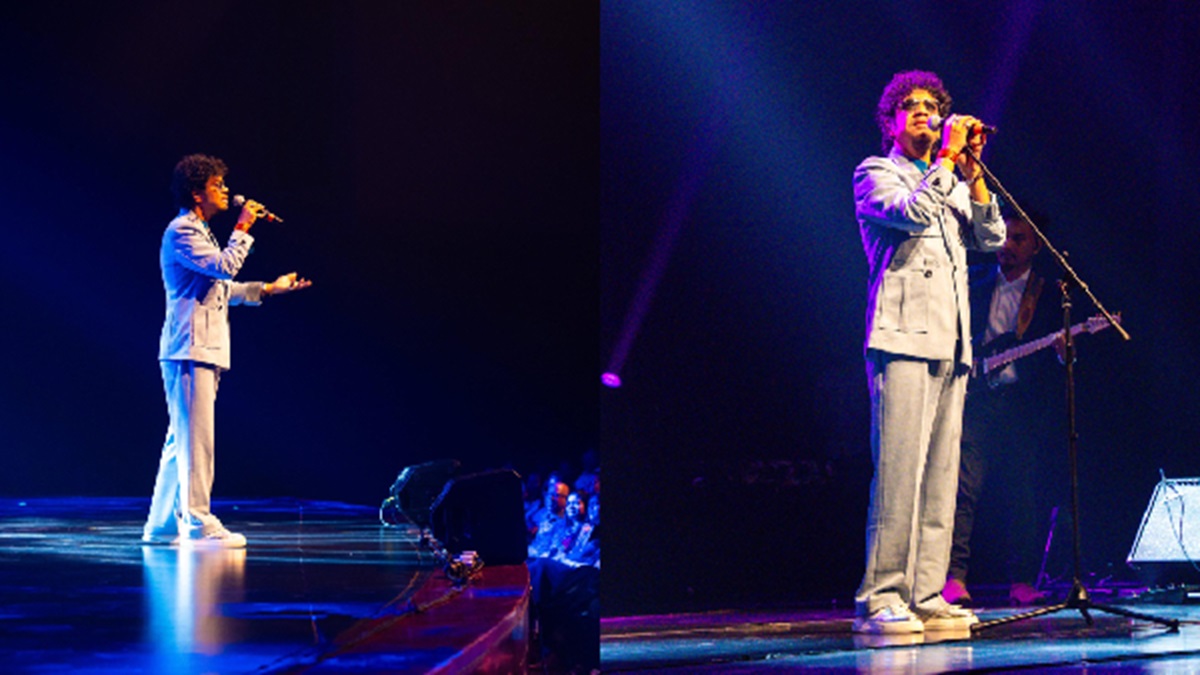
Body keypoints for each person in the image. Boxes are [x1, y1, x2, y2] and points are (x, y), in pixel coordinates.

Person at [852, 71, 1006, 634]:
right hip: (902, 337)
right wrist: (945, 160)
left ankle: (925, 593)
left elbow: (992, 240)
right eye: (910, 105)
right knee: (900, 474)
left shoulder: (953, 181)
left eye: (932, 105)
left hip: (952, 340)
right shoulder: (876, 173)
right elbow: (911, 214)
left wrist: (974, 173)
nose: (923, 111)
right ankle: (880, 597)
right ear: (890, 120)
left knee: (941, 478)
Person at [142, 154, 312, 548]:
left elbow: (221, 288)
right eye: (217, 185)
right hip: (190, 347)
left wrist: (268, 288)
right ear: (196, 193)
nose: (225, 191)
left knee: (181, 440)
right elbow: (224, 267)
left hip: (200, 347)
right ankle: (198, 522)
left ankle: (161, 525)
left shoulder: (200, 232)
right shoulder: (182, 231)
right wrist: (243, 226)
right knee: (196, 439)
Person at [944, 210, 1067, 606]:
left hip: (1020, 405)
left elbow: (1060, 357)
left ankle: (1022, 581)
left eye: (1018, 239)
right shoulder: (973, 281)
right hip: (975, 400)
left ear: (1035, 246)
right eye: (1004, 237)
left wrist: (1064, 353)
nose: (1007, 246)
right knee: (963, 489)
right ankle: (954, 577)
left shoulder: (1050, 294)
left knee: (1022, 494)